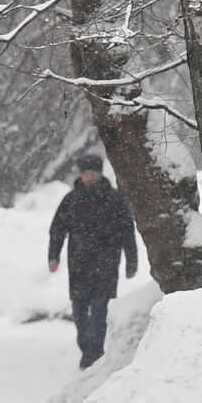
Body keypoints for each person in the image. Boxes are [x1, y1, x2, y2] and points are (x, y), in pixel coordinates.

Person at [48, 153, 139, 369]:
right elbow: (57, 230)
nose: (90, 177)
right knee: (79, 311)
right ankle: (86, 349)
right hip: (78, 264)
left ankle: (96, 353)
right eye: (87, 173)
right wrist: (53, 256)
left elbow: (127, 230)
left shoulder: (114, 198)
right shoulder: (71, 199)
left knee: (99, 309)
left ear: (100, 173)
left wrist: (131, 260)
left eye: (94, 173)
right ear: (81, 174)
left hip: (107, 263)